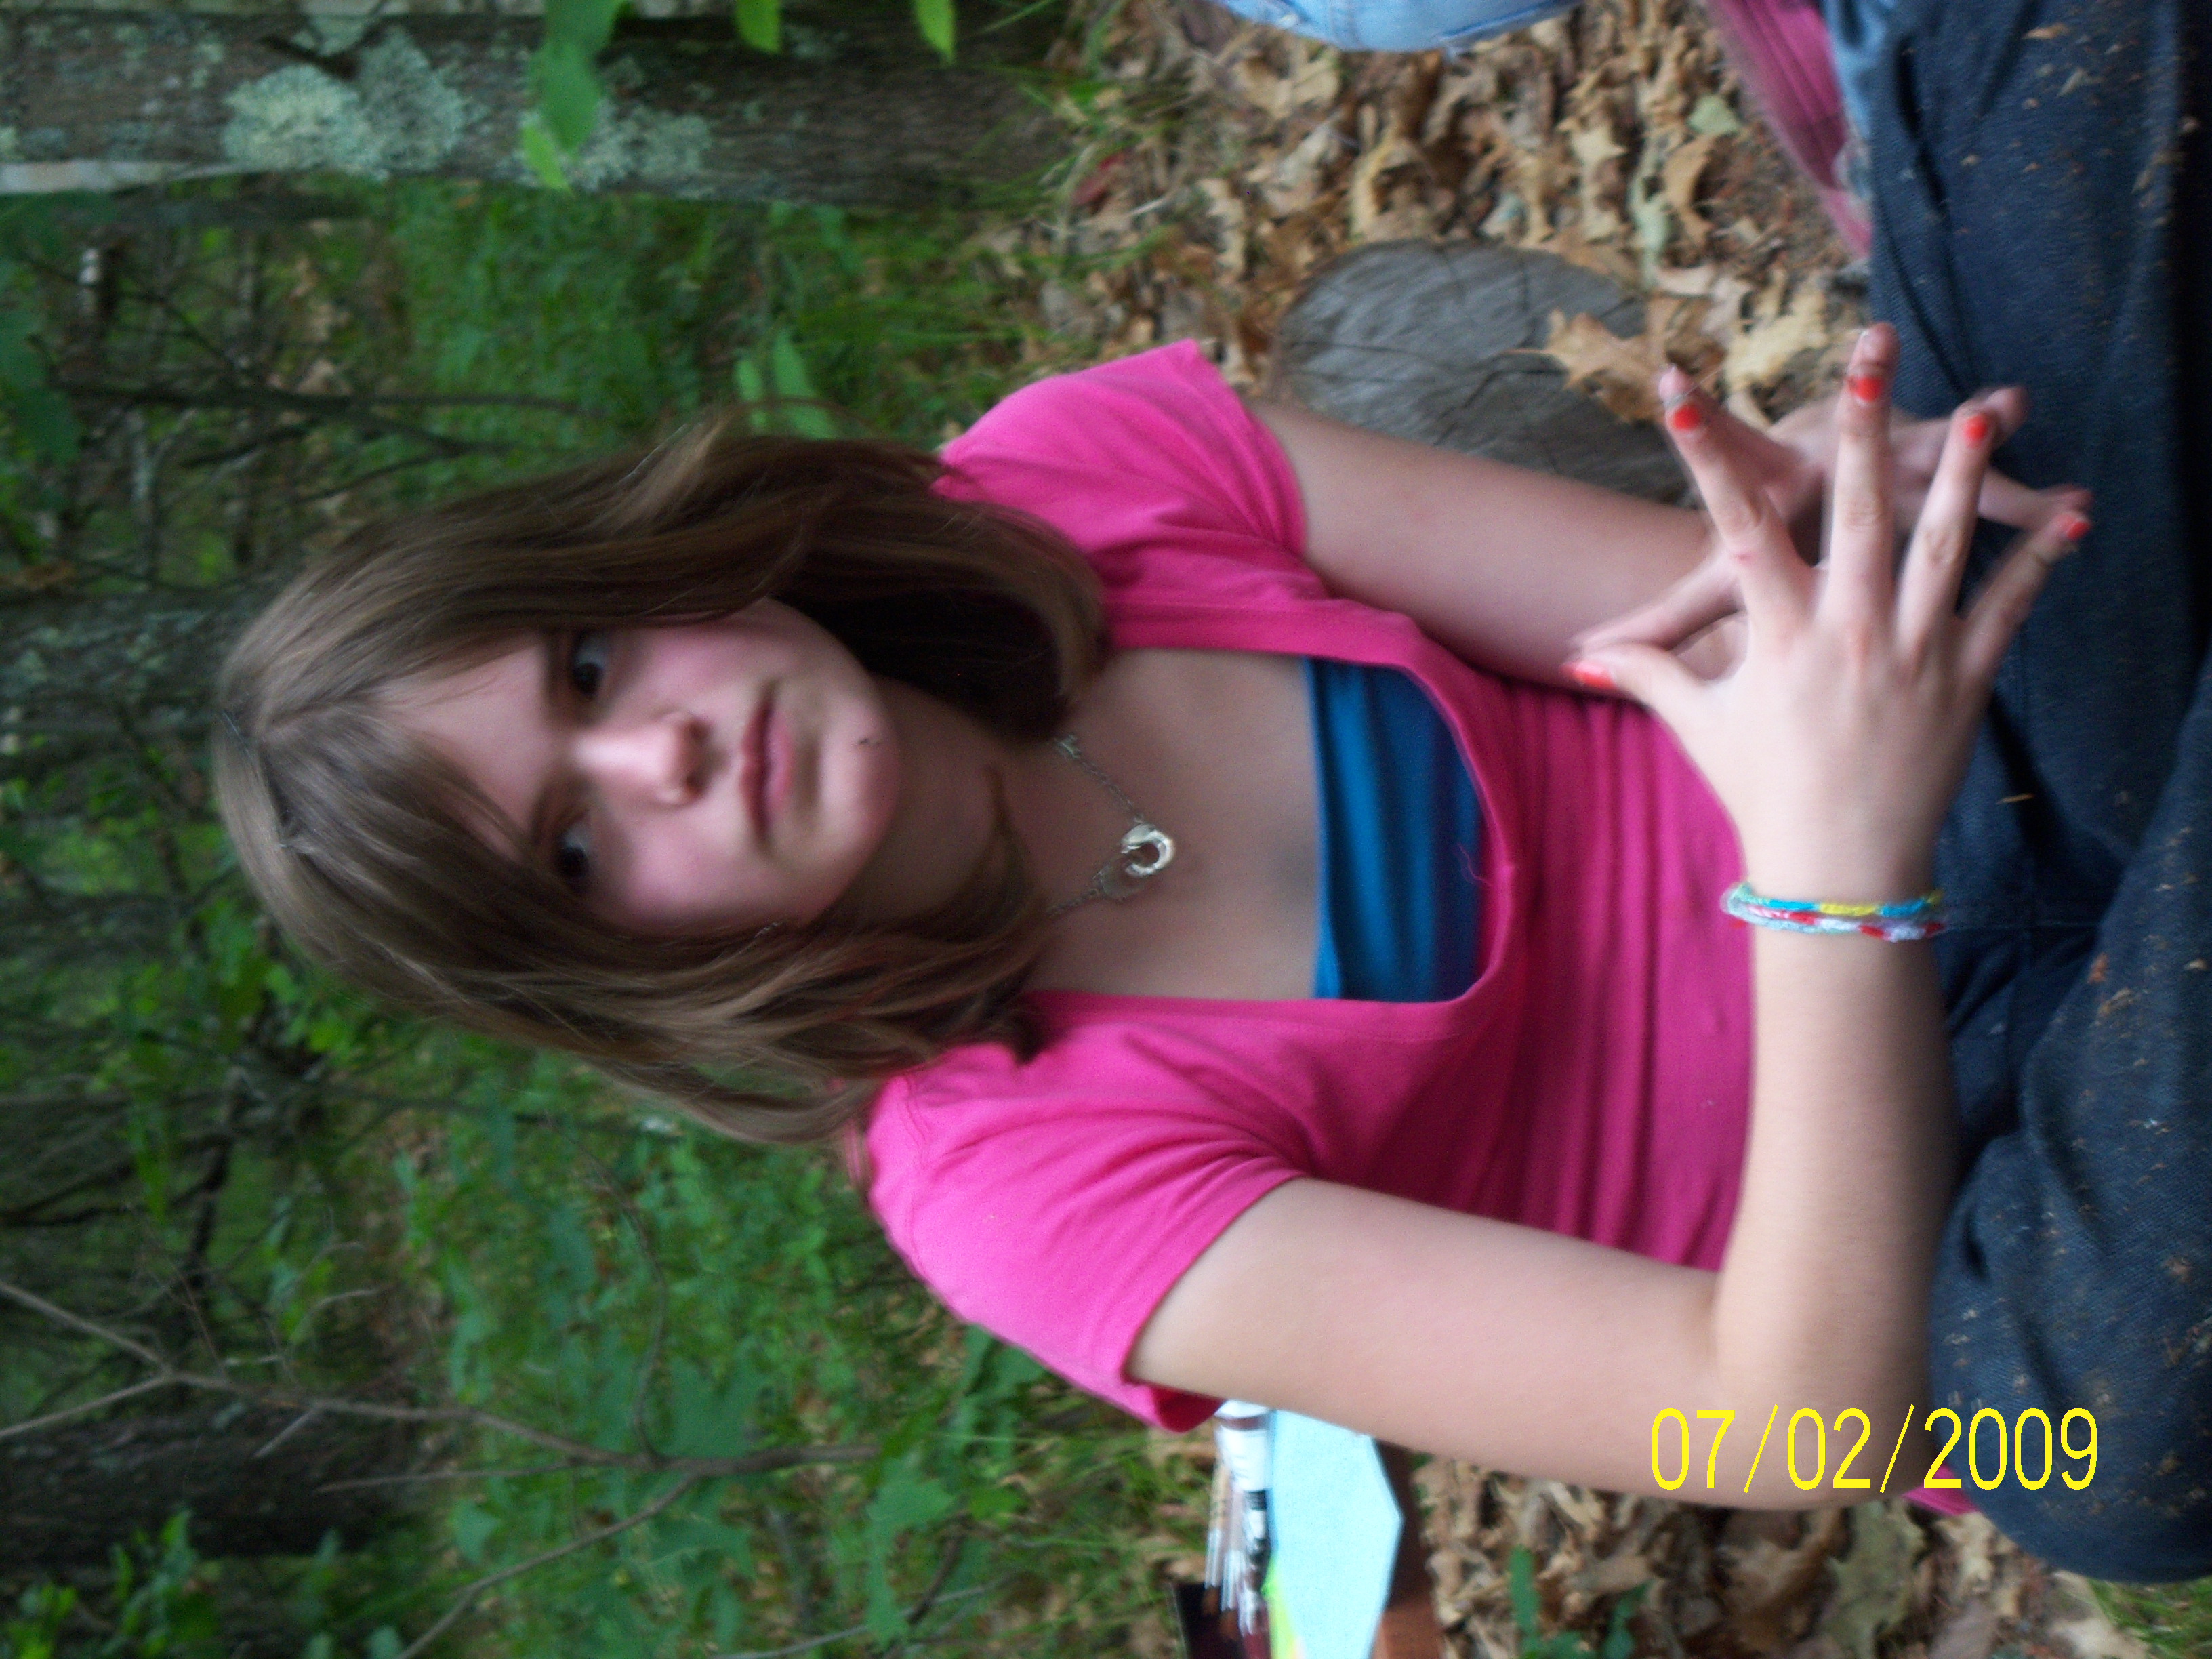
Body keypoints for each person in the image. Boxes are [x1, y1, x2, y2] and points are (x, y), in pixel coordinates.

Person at [213, 0, 2212, 1580]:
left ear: (653, 571)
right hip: (1985, 1212)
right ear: (611, 971)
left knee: (2011, 72)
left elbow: (1712, 622)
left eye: (590, 667)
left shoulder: (1065, 481)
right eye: (577, 843)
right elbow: (1787, 1426)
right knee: (2096, 1450)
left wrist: (1827, 519)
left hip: (1998, 765)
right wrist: (1833, 886)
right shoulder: (1017, 1194)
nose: (662, 752)